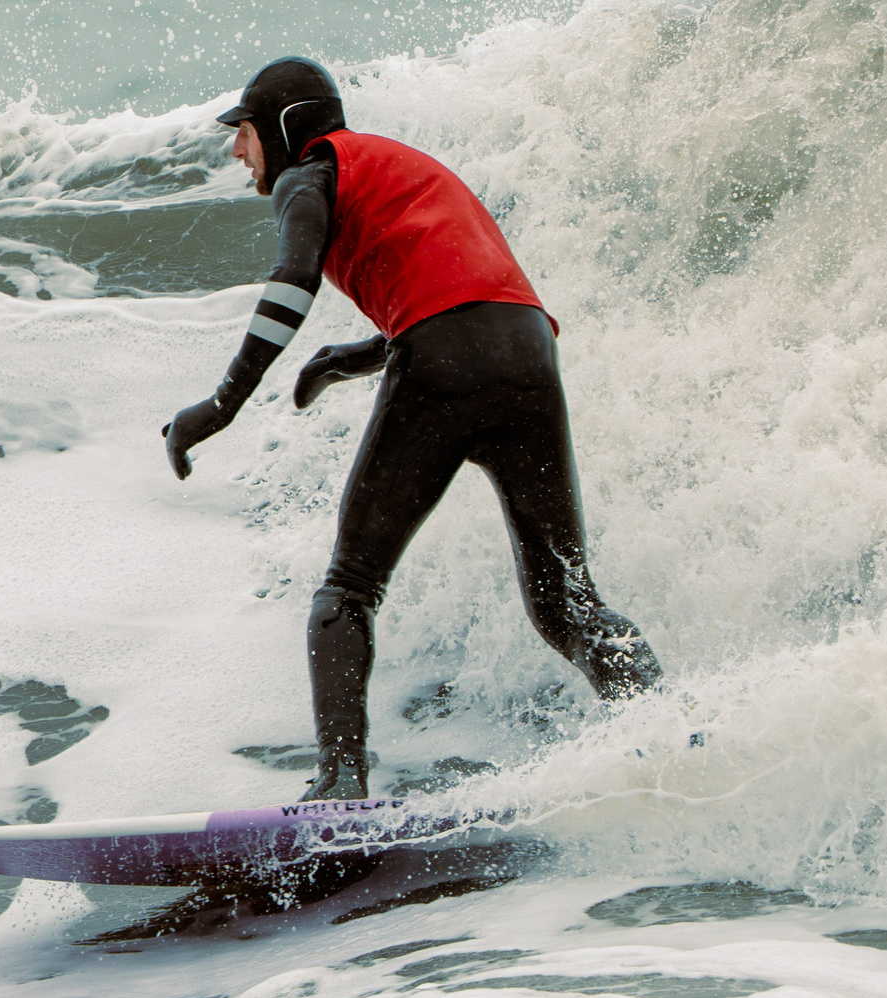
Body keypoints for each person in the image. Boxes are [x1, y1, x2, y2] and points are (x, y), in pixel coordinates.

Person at [165, 57, 663, 803]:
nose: (237, 151)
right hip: (527, 354)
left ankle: (339, 787)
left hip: (444, 357)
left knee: (348, 589)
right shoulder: (401, 165)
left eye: (242, 131)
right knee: (567, 602)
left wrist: (222, 404)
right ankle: (672, 729)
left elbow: (293, 280)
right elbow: (463, 286)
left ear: (285, 125)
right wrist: (359, 355)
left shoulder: (310, 173)